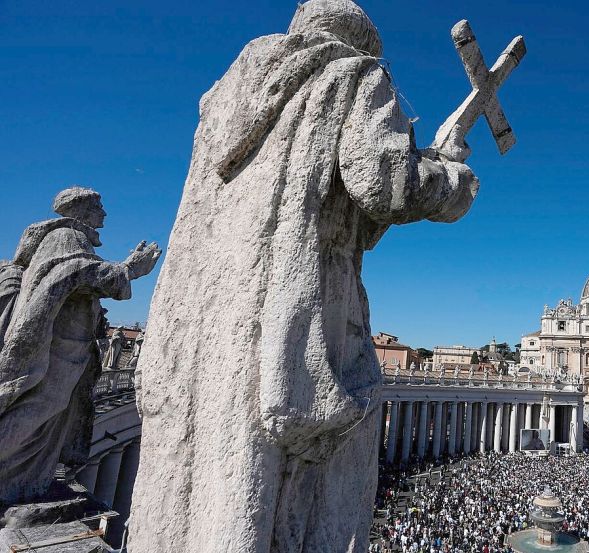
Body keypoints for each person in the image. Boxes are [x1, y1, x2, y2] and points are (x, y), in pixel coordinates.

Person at [128, 1, 479, 551]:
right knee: (285, 492)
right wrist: (452, 178)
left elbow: (348, 213)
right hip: (293, 308)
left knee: (201, 474)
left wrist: (429, 152)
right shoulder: (355, 72)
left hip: (202, 313)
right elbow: (384, 184)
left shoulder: (226, 96)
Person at [0, 187, 159, 505]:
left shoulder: (72, 237)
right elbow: (72, 273)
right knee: (37, 409)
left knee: (46, 413)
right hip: (58, 350)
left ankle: (26, 480)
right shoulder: (66, 235)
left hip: (67, 347)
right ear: (80, 209)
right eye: (98, 205)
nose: (104, 213)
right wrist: (129, 270)